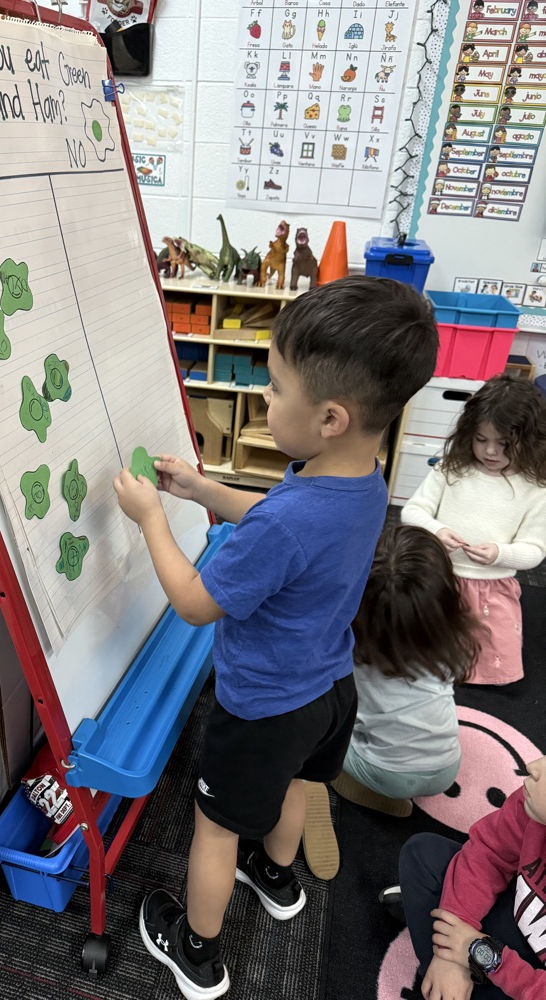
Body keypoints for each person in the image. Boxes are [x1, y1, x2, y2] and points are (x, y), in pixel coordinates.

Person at [112, 275, 439, 1000]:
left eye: (275, 387)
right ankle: (276, 876)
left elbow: (197, 603)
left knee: (214, 824)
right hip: (329, 692)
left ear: (328, 417)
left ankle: (196, 950)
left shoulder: (284, 526)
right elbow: (278, 516)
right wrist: (203, 491)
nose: (262, 397)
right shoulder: (365, 478)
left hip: (260, 708)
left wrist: (152, 522)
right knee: (300, 784)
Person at [402, 375, 546, 685]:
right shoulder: (451, 468)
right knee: (423, 648)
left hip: (491, 588)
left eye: (505, 444)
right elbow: (412, 511)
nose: (491, 452)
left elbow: (535, 550)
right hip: (437, 578)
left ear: (530, 439)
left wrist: (500, 553)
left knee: (492, 653)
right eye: (481, 440)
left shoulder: (536, 487)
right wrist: (436, 530)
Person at [331, 524, 480, 818]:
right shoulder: (453, 644)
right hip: (447, 768)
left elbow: (345, 713)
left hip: (387, 773)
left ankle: (360, 787)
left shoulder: (351, 658)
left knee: (315, 735)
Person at [381, 754, 546, 998]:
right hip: (519, 916)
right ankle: (445, 953)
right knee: (423, 853)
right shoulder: (535, 804)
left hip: (527, 980)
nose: (532, 767)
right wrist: (453, 948)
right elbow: (489, 852)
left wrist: (483, 956)